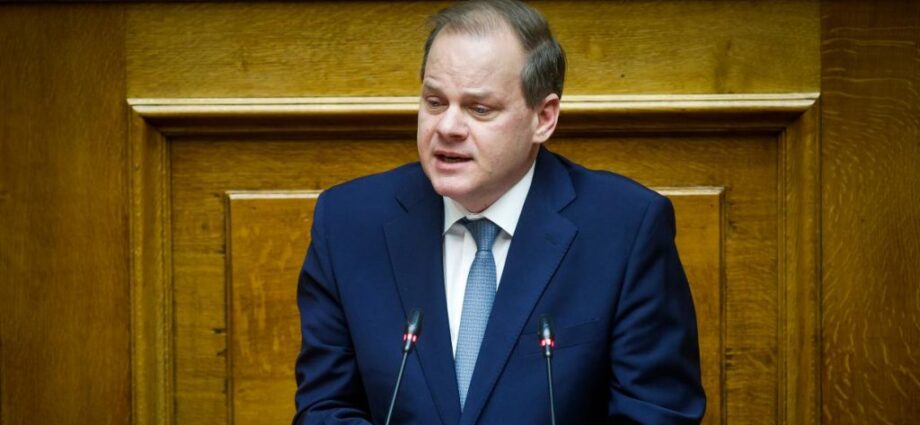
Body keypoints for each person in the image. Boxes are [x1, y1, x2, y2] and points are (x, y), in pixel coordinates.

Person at [292, 1, 705, 423]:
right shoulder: (348, 223)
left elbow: (656, 413)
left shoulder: (625, 229)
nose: (447, 127)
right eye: (435, 102)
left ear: (543, 118)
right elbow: (325, 407)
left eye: (479, 109)